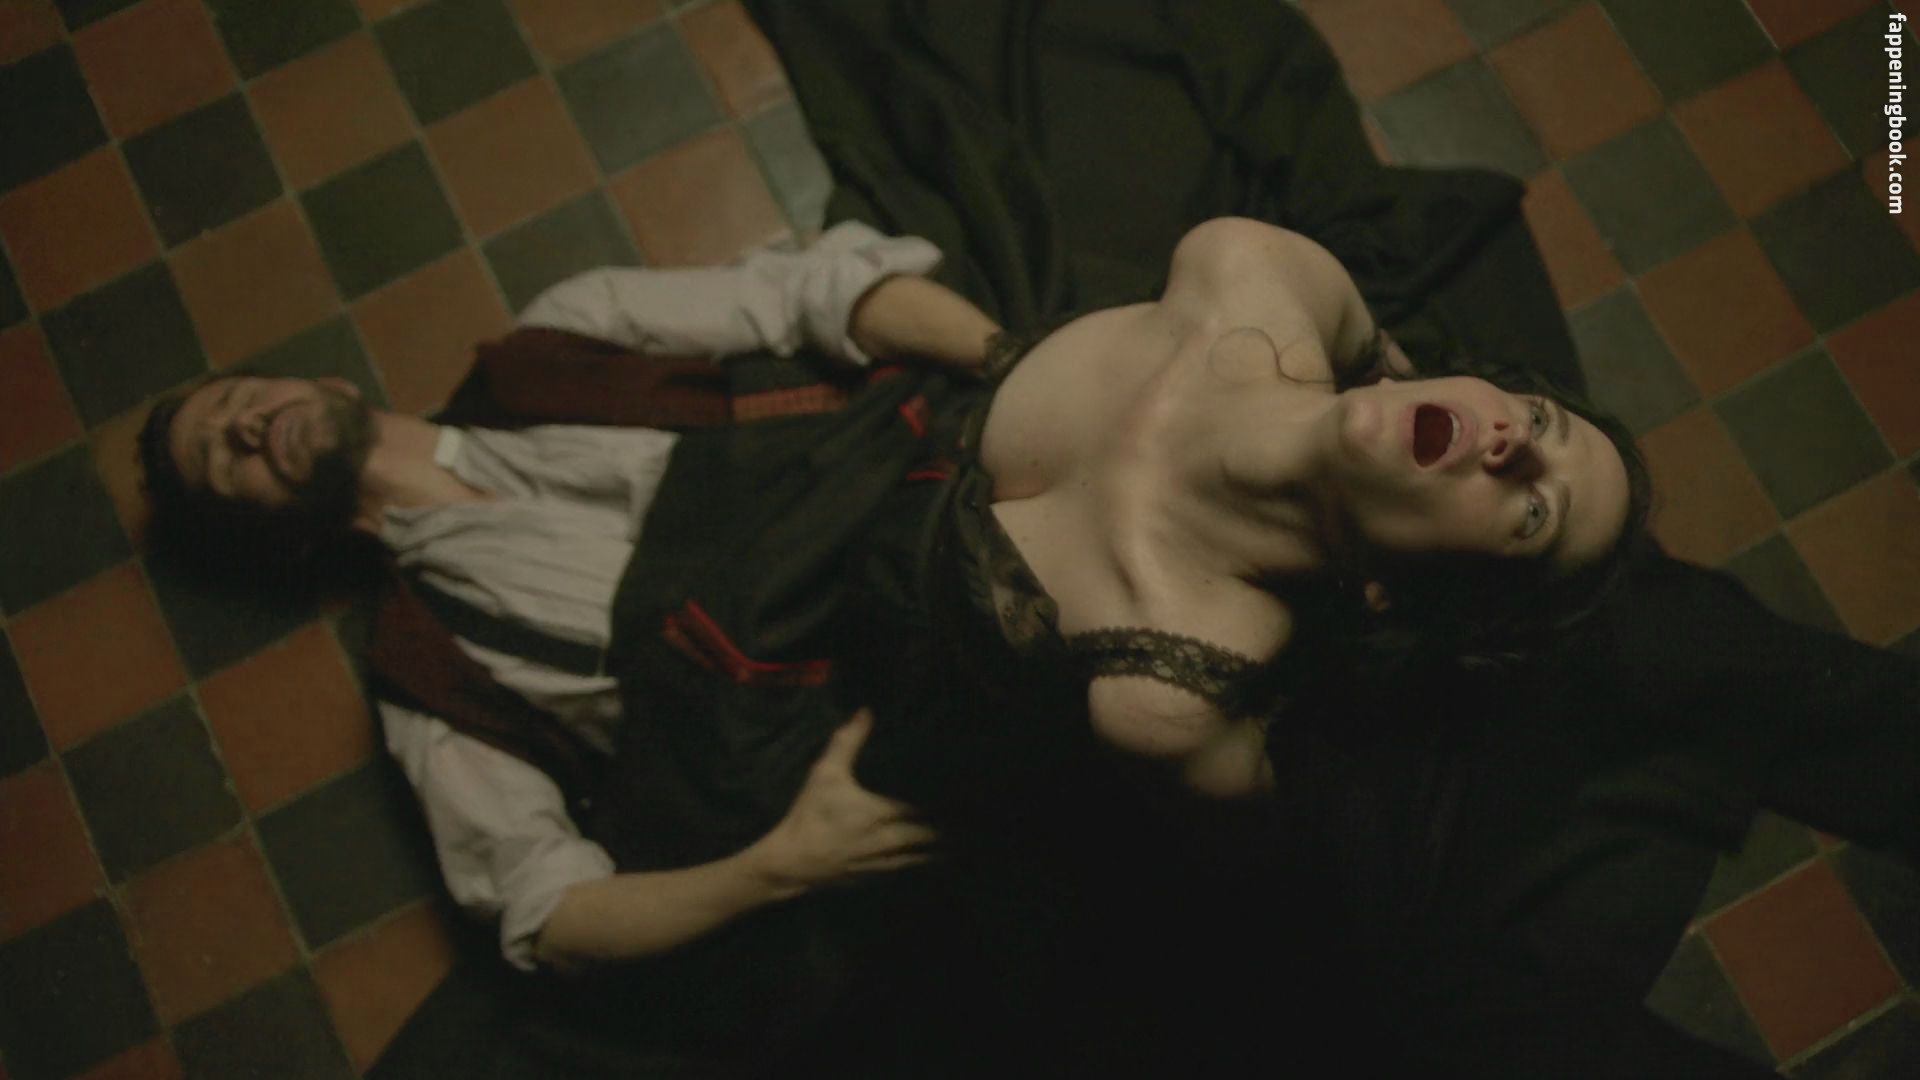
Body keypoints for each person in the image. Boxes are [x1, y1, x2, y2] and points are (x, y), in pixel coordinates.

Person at [138, 222, 1004, 978]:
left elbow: (817, 296)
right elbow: (551, 913)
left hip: (914, 490)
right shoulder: (427, 671)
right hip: (858, 703)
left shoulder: (563, 332)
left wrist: (1002, 357)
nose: (246, 426)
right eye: (224, 460)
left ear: (329, 384)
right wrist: (783, 864)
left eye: (240, 401)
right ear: (279, 539)